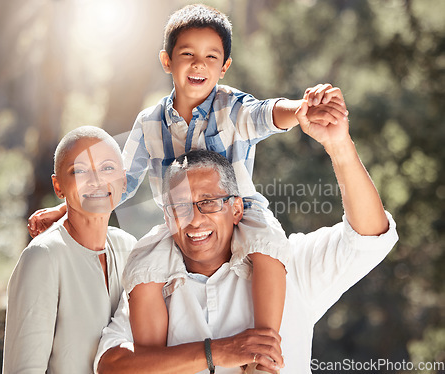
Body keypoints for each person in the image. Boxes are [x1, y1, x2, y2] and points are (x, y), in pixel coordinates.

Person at [27, 4, 344, 363]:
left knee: (269, 245)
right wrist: (65, 208)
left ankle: (263, 353)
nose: (199, 64)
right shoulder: (150, 122)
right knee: (143, 264)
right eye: (187, 54)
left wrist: (300, 108)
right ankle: (157, 360)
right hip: (176, 219)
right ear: (167, 61)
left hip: (239, 211)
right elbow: (123, 180)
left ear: (224, 67)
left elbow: (266, 114)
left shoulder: (232, 107)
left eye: (211, 56)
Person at [93, 93, 398, 374]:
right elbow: (112, 365)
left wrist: (339, 146)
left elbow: (369, 236)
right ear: (167, 217)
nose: (194, 220)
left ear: (237, 208)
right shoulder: (152, 279)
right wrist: (216, 353)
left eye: (208, 203)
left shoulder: (287, 263)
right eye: (180, 207)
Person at [2, 126, 137, 373]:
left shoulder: (130, 248)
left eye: (108, 168)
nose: (97, 180)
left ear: (124, 179)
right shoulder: (42, 257)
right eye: (79, 171)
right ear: (58, 186)